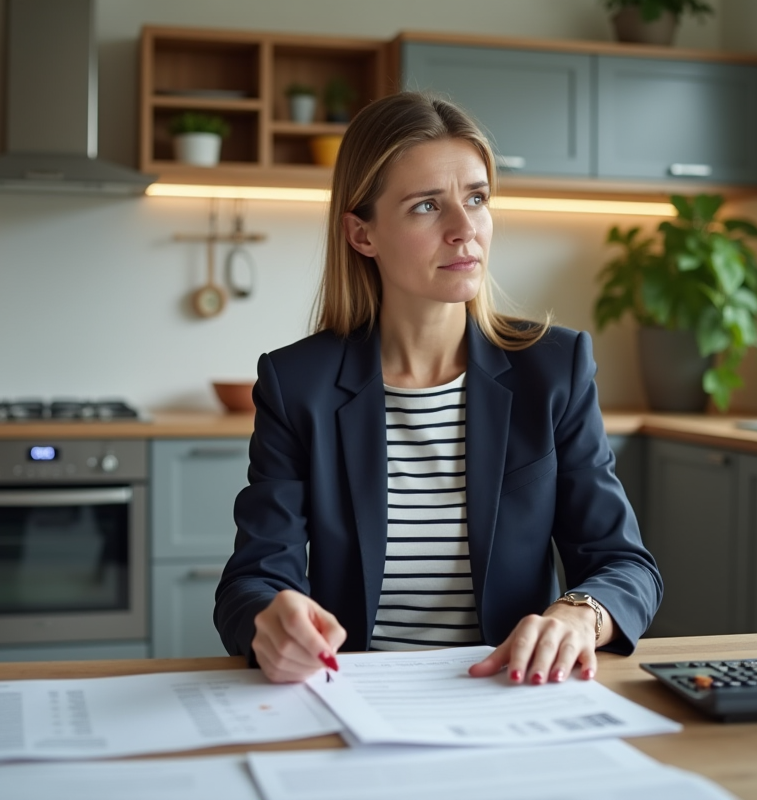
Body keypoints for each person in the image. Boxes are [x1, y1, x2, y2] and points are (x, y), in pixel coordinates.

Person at [214, 92, 661, 686]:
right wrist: (270, 619)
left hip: (509, 693)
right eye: (427, 206)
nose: (464, 229)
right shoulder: (298, 384)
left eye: (476, 198)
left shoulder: (554, 370)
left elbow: (624, 565)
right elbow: (251, 580)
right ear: (361, 234)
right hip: (352, 693)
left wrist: (578, 617)